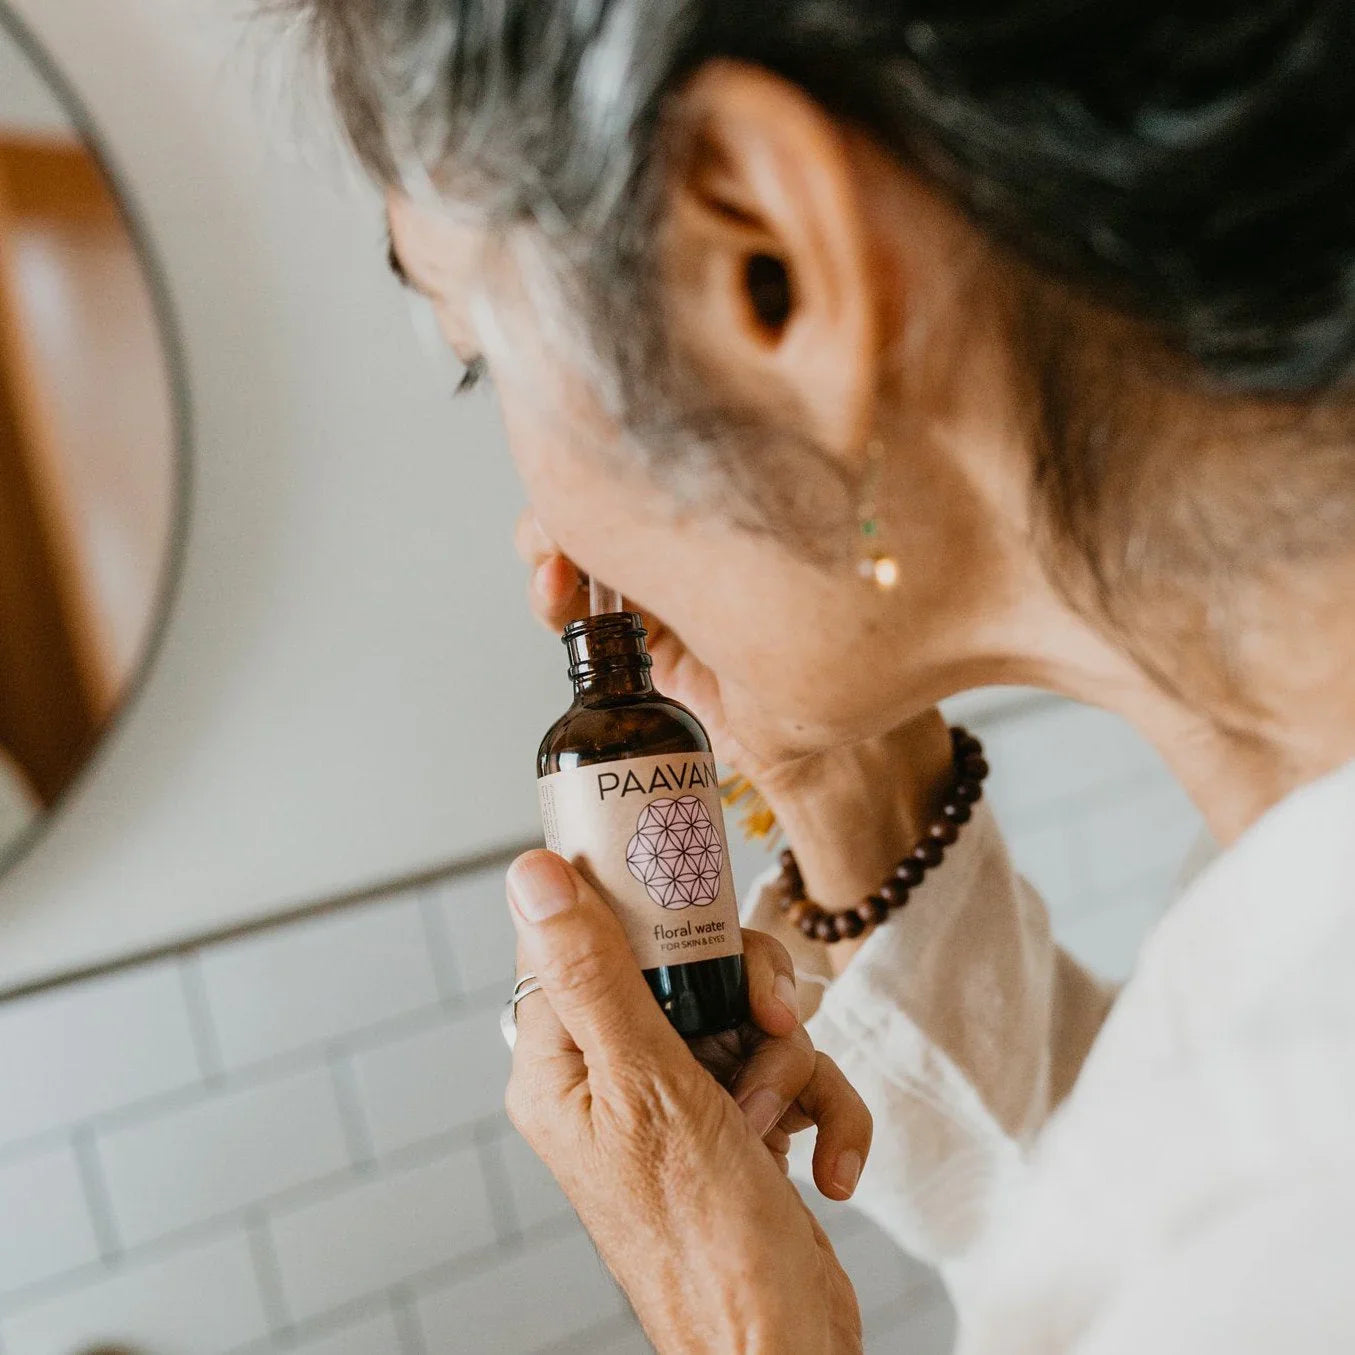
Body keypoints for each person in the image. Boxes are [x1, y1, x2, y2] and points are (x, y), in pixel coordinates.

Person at [294, 2, 1355, 1350]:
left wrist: (737, 1325)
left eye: (480, 363)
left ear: (765, 263)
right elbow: (1151, 1203)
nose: (547, 520)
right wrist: (845, 784)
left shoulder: (1305, 1185)